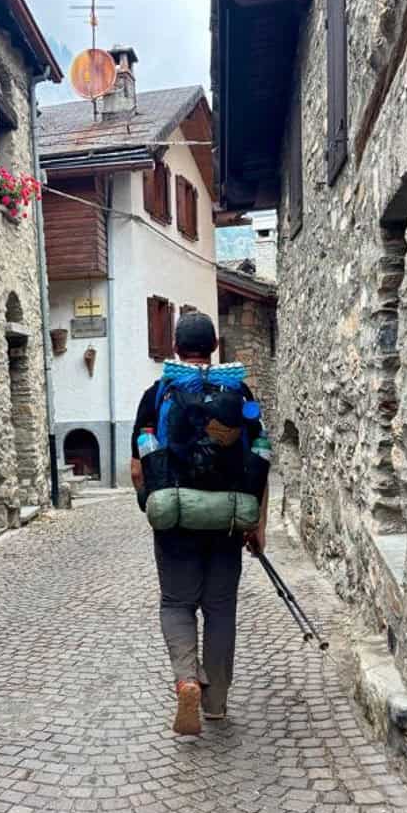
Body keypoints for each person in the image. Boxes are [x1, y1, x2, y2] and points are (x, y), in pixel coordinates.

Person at [131, 311, 268, 736]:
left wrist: (152, 505)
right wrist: (257, 527)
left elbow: (139, 467)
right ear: (214, 347)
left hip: (174, 520)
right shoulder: (239, 390)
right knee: (220, 608)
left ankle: (187, 678)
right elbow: (258, 459)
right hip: (227, 521)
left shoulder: (157, 394)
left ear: (175, 348)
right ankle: (216, 705)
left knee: (176, 603)